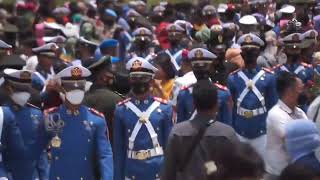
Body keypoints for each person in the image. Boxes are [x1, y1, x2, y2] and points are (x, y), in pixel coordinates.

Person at [44, 65, 113, 180]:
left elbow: (104, 155)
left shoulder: (96, 119)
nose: (76, 91)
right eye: (71, 87)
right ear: (62, 88)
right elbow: (41, 152)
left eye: (80, 87)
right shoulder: (50, 117)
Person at [161, 80, 239, 180]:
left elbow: (168, 172)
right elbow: (236, 171)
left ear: (193, 104)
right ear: (216, 104)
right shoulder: (227, 133)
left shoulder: (178, 132)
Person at [113, 56, 173, 180]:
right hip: (132, 172)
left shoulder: (164, 108)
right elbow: (119, 150)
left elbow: (169, 147)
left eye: (143, 78)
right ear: (130, 81)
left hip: (157, 171)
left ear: (151, 81)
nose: (138, 81)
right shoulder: (121, 110)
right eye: (134, 78)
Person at [228, 33, 278, 158]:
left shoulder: (269, 77)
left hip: (262, 131)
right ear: (242, 54)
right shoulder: (233, 78)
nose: (249, 54)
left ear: (258, 53)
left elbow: (273, 107)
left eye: (253, 51)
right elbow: (231, 107)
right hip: (239, 130)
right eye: (246, 51)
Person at [1, 68, 48, 180]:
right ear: (8, 89)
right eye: (20, 89)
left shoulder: (37, 114)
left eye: (27, 89)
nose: (24, 93)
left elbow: (41, 152)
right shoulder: (2, 114)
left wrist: (44, 176)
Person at [265, 71, 308, 179]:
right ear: (290, 92)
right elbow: (294, 143)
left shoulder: (300, 112)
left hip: (295, 172)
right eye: (301, 89)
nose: (304, 92)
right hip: (278, 174)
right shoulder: (276, 114)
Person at [176, 48, 232, 126]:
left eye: (204, 67)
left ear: (211, 68)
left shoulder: (223, 94)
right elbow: (180, 124)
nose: (200, 71)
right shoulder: (184, 94)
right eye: (196, 67)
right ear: (192, 69)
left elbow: (227, 125)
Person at [84, 56, 123, 144]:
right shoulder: (116, 99)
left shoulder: (83, 98)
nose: (113, 76)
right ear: (102, 77)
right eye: (110, 73)